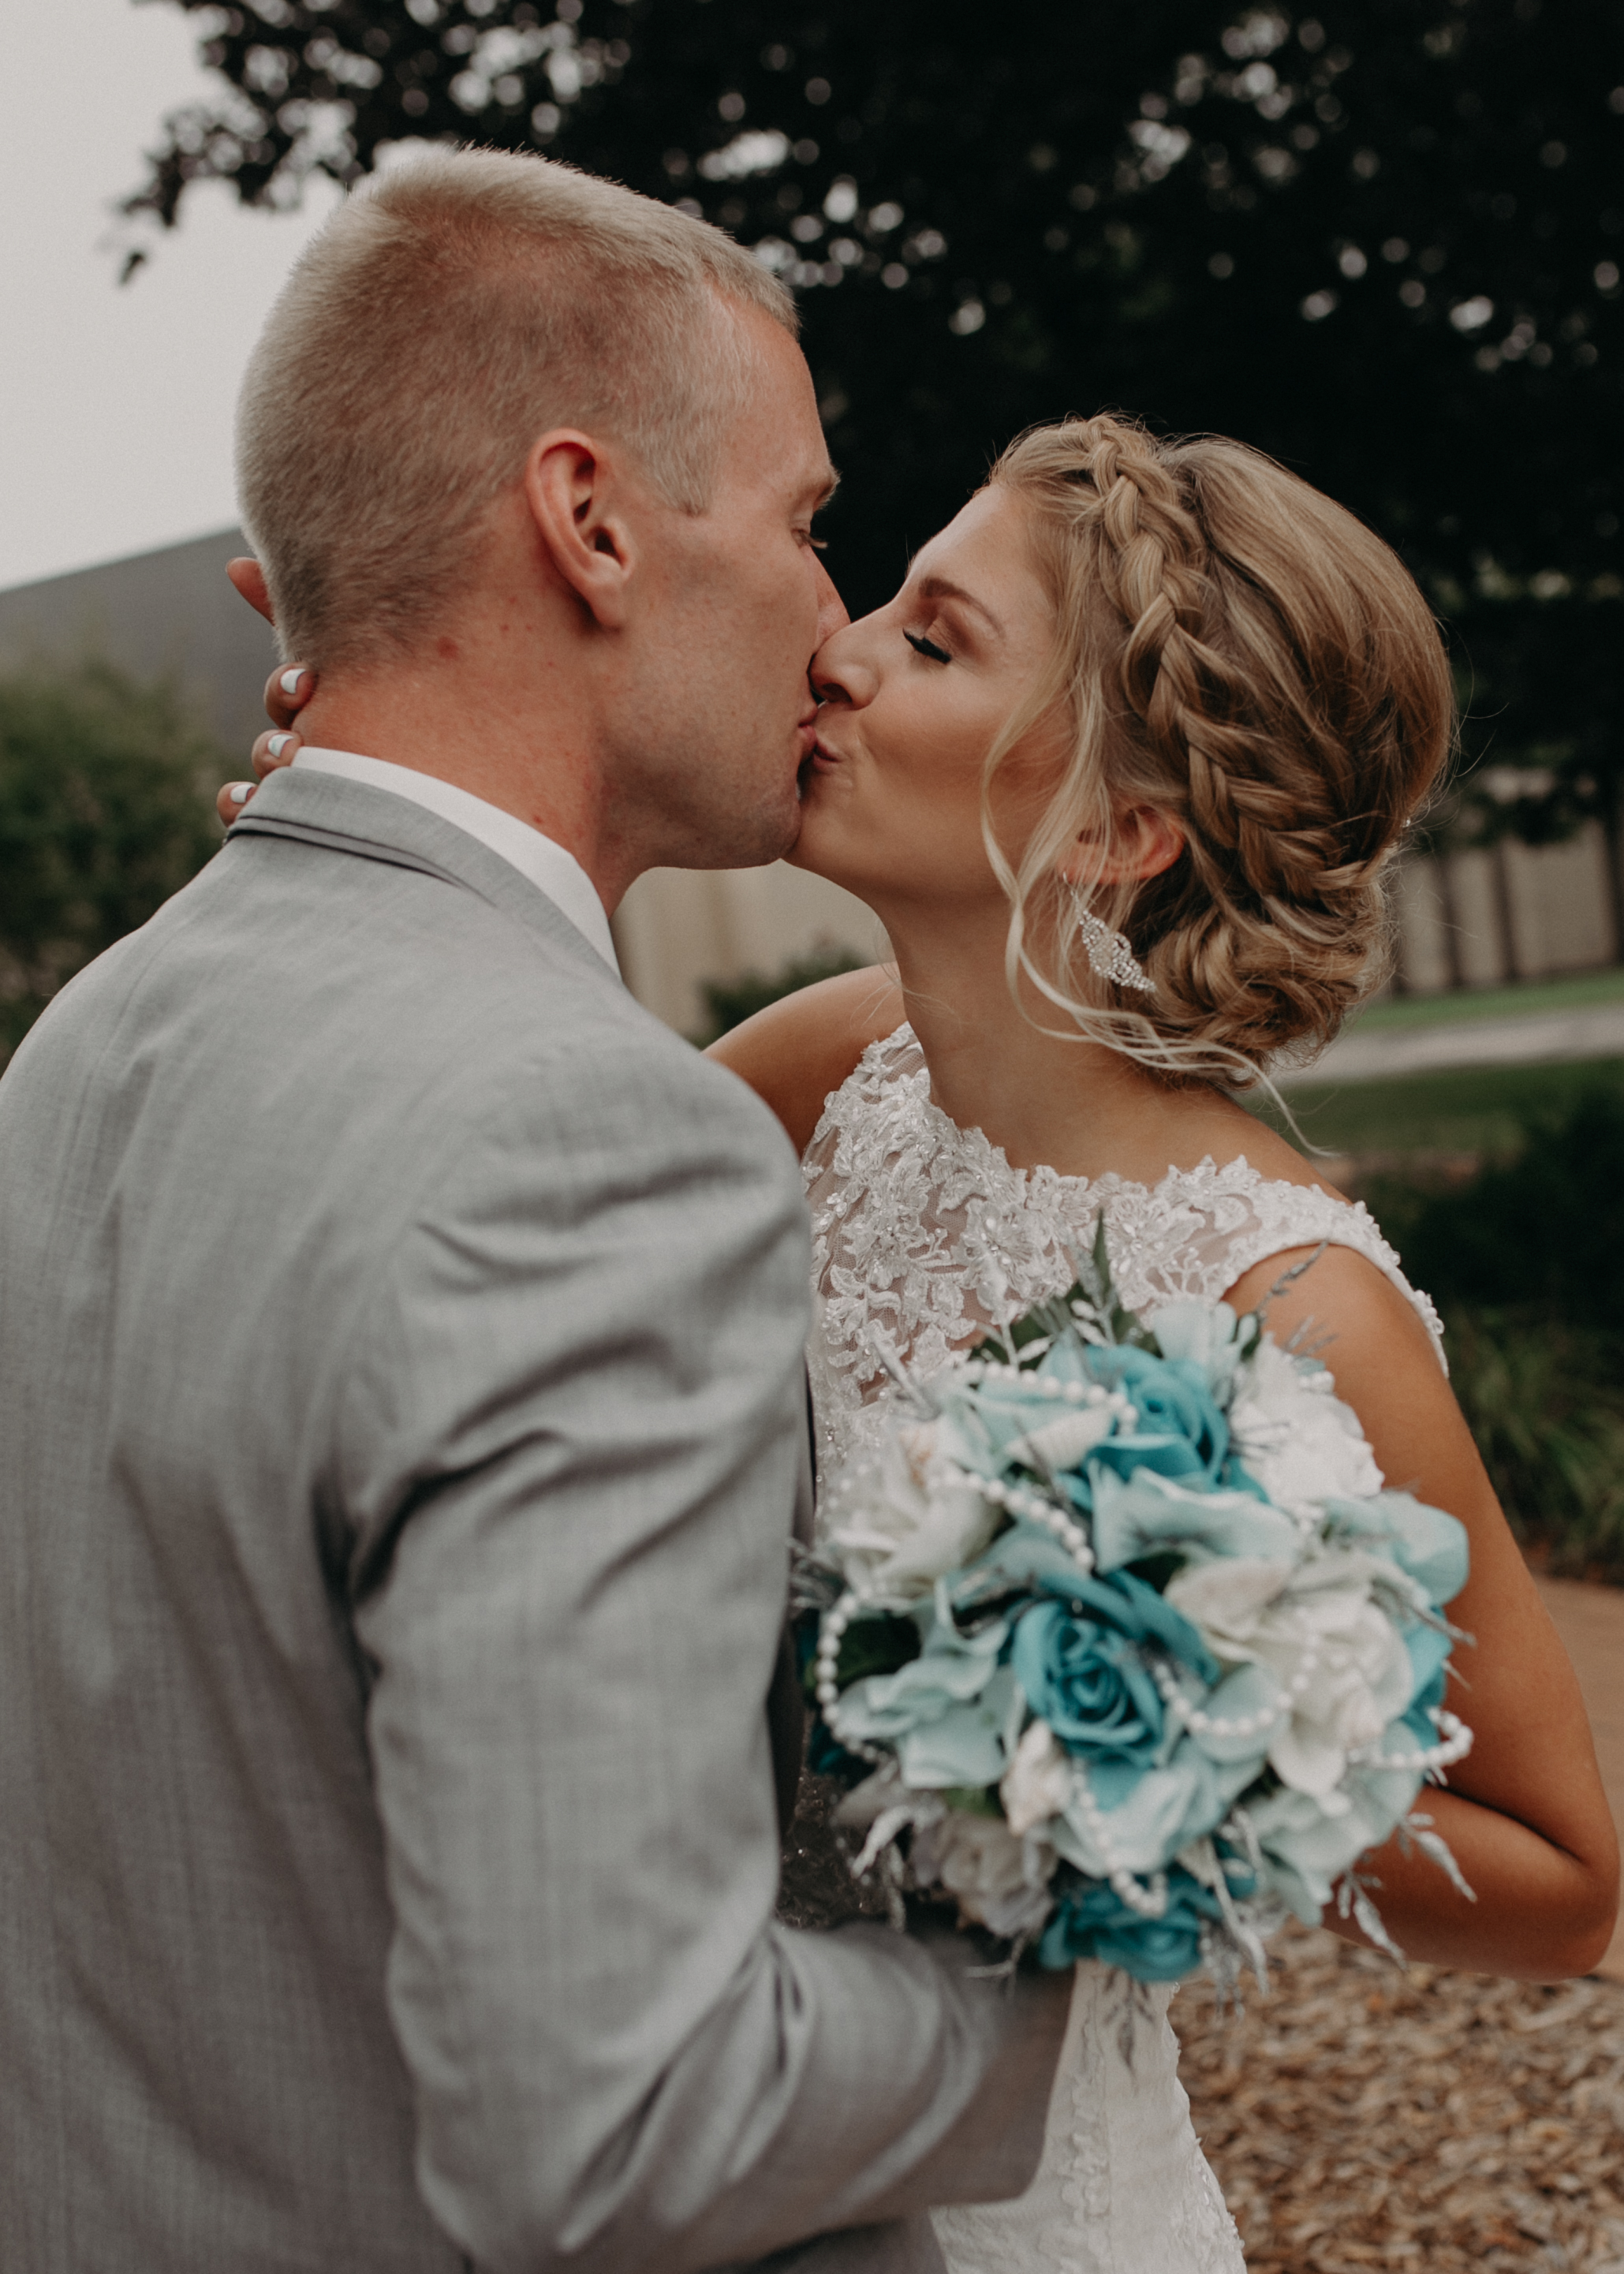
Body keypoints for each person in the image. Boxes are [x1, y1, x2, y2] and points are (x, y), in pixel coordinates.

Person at [245, 409, 1618, 2274]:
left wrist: (1162, 1766)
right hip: (694, 2131)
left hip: (1019, 2202)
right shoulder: (820, 1077)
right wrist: (376, 839)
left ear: (1119, 826)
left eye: (933, 636)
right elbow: (485, 1234)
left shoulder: (1288, 1299)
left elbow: (1556, 1873)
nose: (838, 649)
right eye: (881, 599)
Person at [0, 151, 1074, 2274]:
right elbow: (617, 2129)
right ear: (589, 522)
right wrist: (1039, 1990)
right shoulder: (585, 1138)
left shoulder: (74, 1052)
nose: (825, 617)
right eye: (802, 521)